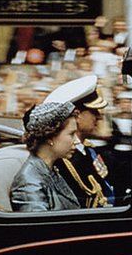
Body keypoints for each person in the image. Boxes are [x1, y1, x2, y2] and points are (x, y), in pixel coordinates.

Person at [43, 75, 114, 208]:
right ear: (77, 115)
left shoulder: (88, 149)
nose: (99, 117)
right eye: (94, 111)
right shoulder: (63, 159)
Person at [10, 102, 82, 212]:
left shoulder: (51, 170)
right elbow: (39, 227)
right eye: (71, 134)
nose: (77, 141)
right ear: (50, 137)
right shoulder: (29, 183)